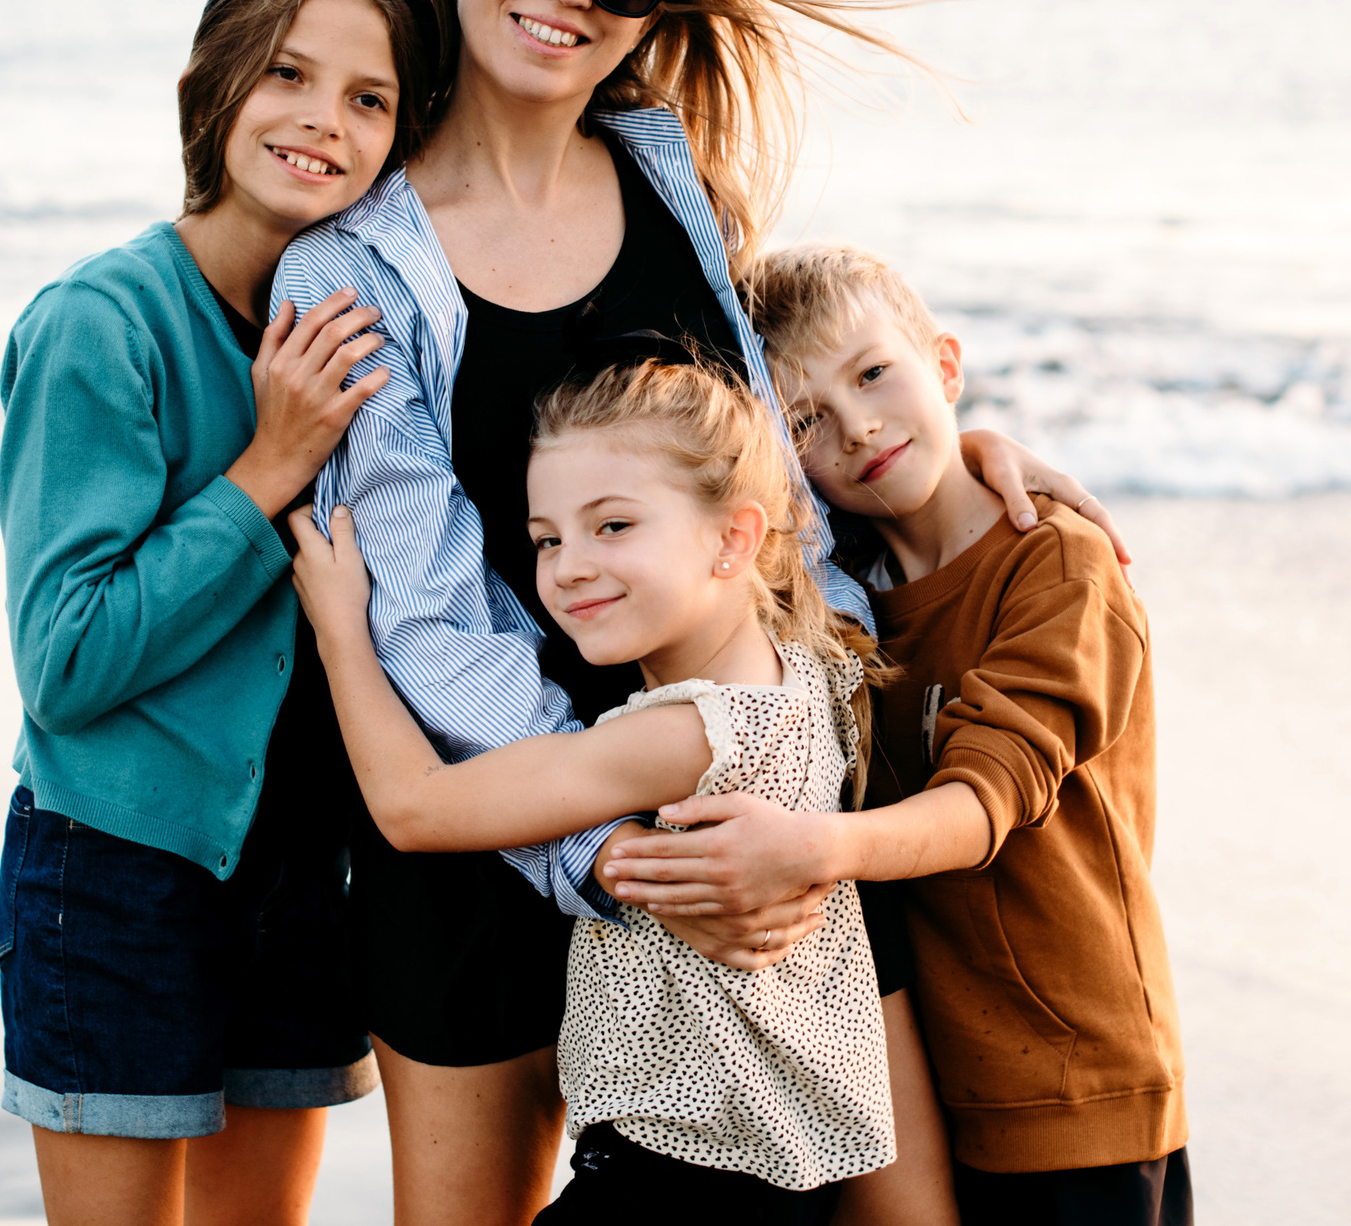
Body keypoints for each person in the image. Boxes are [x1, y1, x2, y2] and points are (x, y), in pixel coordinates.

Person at [272, 0, 1128, 1225]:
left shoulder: (673, 178)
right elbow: (429, 620)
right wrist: (611, 852)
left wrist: (957, 468)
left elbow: (761, 489)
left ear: (660, 4)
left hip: (755, 820)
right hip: (506, 846)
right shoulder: (350, 267)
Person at [0, 0, 438, 1226]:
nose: (322, 120)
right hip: (116, 873)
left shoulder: (372, 322)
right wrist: (267, 465)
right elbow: (65, 661)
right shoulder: (101, 322)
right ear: (218, 86)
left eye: (370, 98)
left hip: (305, 872)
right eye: (288, 72)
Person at [291, 355, 898, 1224]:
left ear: (734, 537)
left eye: (613, 526)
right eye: (547, 538)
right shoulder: (808, 677)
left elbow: (413, 805)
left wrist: (341, 628)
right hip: (762, 1177)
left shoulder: (684, 733)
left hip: (683, 1179)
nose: (571, 566)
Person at [730, 242, 1190, 1226]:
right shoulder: (842, 601)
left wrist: (814, 851)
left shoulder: (1056, 566)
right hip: (930, 1092)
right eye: (806, 420)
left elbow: (987, 800)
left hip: (1077, 1088)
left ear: (944, 365)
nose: (856, 428)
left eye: (873, 375)